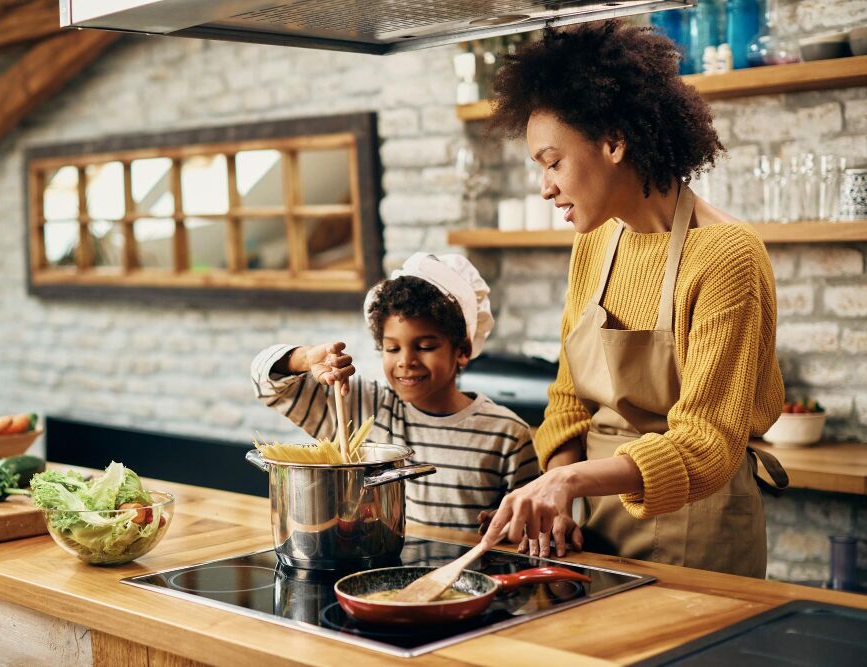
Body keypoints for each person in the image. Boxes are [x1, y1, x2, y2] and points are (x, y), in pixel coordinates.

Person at [478, 19, 787, 577]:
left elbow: (708, 442)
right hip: (593, 525)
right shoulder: (596, 242)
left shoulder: (726, 255)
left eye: (553, 162)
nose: (545, 186)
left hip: (700, 528)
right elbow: (569, 397)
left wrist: (569, 481)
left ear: (614, 142)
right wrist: (563, 497)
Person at [252, 253, 538, 529]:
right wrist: (304, 358)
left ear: (462, 351)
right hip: (378, 569)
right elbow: (266, 384)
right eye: (392, 348)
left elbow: (532, 522)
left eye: (425, 347)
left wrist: (514, 525)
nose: (405, 361)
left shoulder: (507, 434)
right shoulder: (363, 407)